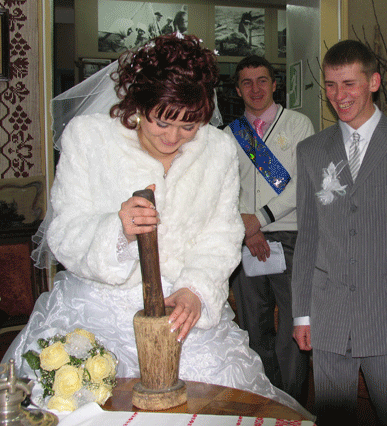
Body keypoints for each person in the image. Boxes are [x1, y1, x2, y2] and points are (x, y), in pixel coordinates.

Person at [1, 34, 308, 416]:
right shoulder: (90, 139)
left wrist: (195, 289)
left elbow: (221, 234)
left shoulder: (218, 149)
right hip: (99, 309)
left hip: (183, 311)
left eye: (189, 125)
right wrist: (117, 231)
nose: (173, 137)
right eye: (162, 121)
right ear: (138, 102)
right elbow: (64, 230)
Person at [292, 39, 387, 425]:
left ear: (374, 82)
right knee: (332, 416)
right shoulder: (312, 150)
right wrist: (301, 314)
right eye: (331, 85)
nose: (339, 96)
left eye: (349, 84)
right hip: (329, 315)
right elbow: (308, 238)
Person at [225, 55, 314, 403]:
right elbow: (223, 190)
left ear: (275, 84)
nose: (255, 88)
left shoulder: (298, 124)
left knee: (293, 325)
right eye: (246, 82)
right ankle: (266, 400)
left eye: (262, 80)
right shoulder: (228, 135)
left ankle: (292, 405)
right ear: (237, 90)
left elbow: (301, 183)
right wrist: (248, 230)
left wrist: (258, 220)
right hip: (245, 241)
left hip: (289, 235)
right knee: (253, 326)